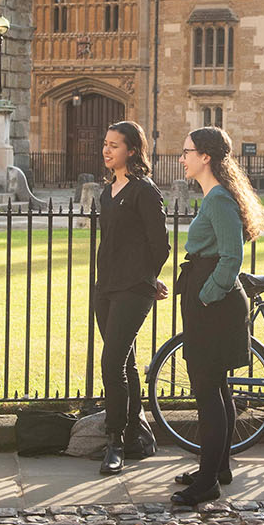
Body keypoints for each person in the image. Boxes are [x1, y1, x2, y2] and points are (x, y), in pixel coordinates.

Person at [170, 126, 264, 507]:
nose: (182, 158)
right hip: (210, 300)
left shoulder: (219, 201)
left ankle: (208, 482)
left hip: (215, 304)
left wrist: (206, 296)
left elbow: (231, 258)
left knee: (208, 393)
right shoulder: (214, 197)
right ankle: (217, 469)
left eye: (187, 151)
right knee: (218, 389)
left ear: (205, 157)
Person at [94, 120, 170, 476]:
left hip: (133, 290)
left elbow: (160, 245)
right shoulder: (107, 191)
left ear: (132, 150)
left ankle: (115, 442)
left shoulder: (144, 191)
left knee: (111, 363)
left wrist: (147, 278)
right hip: (106, 288)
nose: (107, 150)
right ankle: (136, 436)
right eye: (105, 144)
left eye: (115, 145)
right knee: (125, 365)